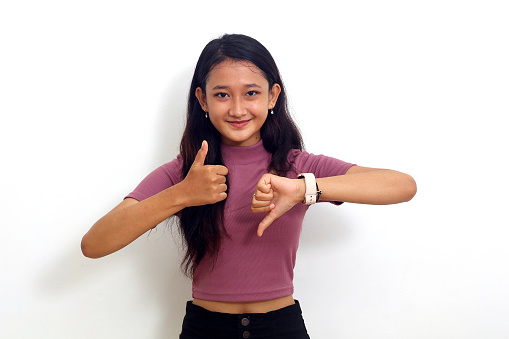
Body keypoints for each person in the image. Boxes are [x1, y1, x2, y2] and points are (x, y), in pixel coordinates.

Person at [81, 33, 416, 338]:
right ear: (202, 100)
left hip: (281, 327)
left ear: (272, 96)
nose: (238, 109)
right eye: (222, 95)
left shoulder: (297, 165)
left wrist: (303, 189)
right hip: (205, 329)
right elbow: (94, 244)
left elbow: (402, 186)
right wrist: (181, 194)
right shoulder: (187, 171)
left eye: (251, 93)